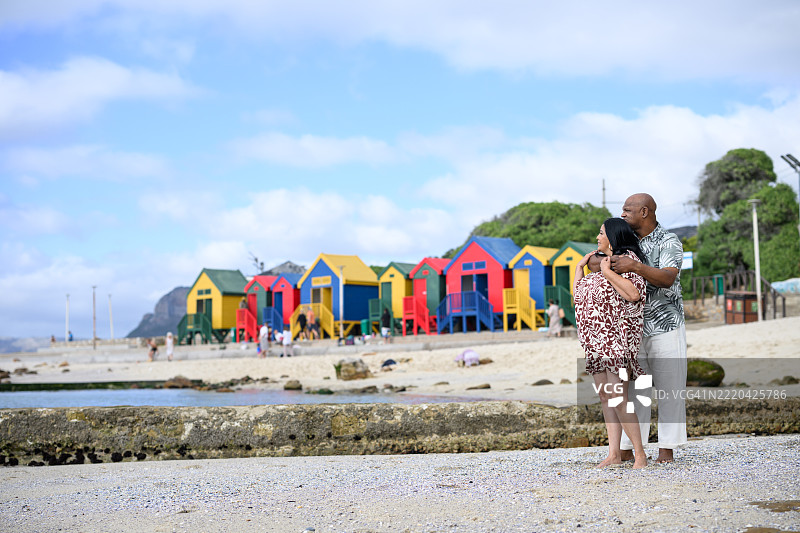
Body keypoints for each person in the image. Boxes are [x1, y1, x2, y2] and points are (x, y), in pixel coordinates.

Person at [610, 193, 688, 464]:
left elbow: (667, 278)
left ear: (644, 212)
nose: (623, 214)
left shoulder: (669, 240)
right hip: (633, 327)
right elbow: (599, 261)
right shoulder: (624, 241)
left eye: (627, 210)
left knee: (670, 388)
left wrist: (634, 266)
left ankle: (667, 448)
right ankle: (631, 449)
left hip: (666, 323)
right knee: (635, 391)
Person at [574, 217, 648, 469]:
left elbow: (634, 294)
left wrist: (606, 271)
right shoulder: (599, 265)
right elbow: (577, 299)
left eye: (601, 233)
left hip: (615, 341)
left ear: (614, 236)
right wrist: (579, 269)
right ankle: (614, 453)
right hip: (594, 342)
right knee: (606, 398)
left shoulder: (626, 262)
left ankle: (640, 454)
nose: (597, 237)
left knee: (618, 398)